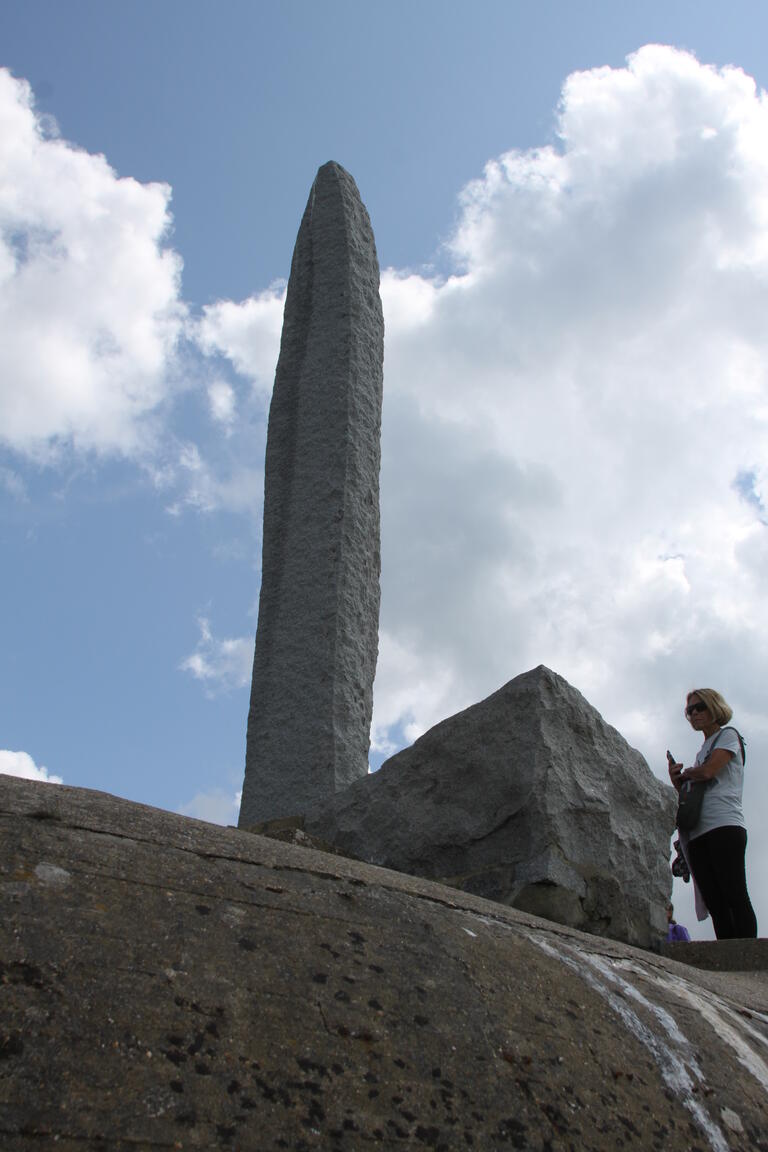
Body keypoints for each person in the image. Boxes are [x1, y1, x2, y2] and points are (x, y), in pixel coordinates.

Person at [667, 688, 757, 940]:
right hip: (697, 830)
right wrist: (678, 780)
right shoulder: (701, 750)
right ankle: (728, 953)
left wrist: (689, 773)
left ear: (714, 707)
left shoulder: (728, 736)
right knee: (715, 900)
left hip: (724, 824)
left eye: (699, 707)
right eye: (690, 710)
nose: (694, 714)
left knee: (734, 893)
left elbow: (709, 772)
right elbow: (694, 788)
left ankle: (749, 957)